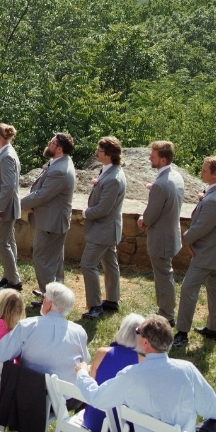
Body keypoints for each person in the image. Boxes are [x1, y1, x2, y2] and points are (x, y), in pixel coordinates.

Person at [75, 315, 216, 432]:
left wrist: (82, 373)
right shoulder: (187, 370)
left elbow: (97, 398)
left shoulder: (131, 374)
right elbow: (209, 406)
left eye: (138, 333)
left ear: (145, 343)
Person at [0, 281, 88, 378]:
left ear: (49, 304)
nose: (42, 300)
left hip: (33, 395)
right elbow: (84, 361)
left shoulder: (28, 325)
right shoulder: (79, 331)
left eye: (43, 297)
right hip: (68, 398)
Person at [173, 156, 216, 347]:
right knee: (215, 290)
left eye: (205, 170)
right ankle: (214, 329)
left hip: (208, 255)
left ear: (215, 174)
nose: (201, 173)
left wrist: (186, 238)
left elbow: (200, 228)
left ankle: (182, 333)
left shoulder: (215, 200)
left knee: (188, 288)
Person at [20, 132, 76, 292]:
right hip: (52, 219)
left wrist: (21, 204)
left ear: (59, 148)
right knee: (55, 259)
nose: (48, 144)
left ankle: (48, 295)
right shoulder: (60, 162)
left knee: (42, 258)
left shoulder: (60, 170)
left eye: (51, 142)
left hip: (51, 222)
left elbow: (43, 195)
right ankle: (55, 292)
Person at [138, 141, 186, 326]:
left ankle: (166, 314)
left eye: (153, 155)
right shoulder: (175, 176)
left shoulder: (161, 185)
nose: (150, 157)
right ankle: (164, 311)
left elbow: (151, 213)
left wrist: (143, 220)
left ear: (163, 159)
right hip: (171, 234)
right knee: (164, 275)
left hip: (161, 238)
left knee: (163, 277)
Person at [81, 136, 128, 321]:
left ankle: (95, 305)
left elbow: (103, 209)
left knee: (88, 264)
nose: (96, 153)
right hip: (108, 229)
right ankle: (112, 300)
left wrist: (84, 213)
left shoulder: (114, 178)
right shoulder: (109, 171)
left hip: (104, 230)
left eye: (99, 150)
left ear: (108, 154)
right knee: (110, 264)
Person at [81, 313, 144, 432]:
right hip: (124, 427)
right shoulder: (142, 361)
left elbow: (92, 381)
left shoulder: (102, 353)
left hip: (93, 420)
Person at [0, 123, 22, 290]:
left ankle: (14, 281)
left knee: (1, 243)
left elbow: (8, 186)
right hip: (3, 205)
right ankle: (9, 277)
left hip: (5, 208)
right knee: (8, 242)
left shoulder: (7, 156)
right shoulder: (5, 154)